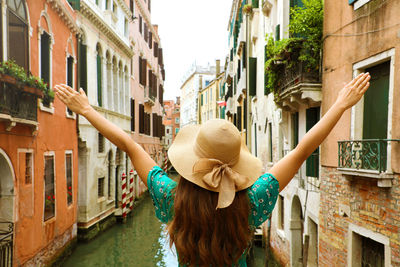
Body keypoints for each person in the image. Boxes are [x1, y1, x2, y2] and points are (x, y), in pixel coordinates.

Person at [54, 72, 370, 266]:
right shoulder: (253, 200)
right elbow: (302, 151)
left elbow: (130, 146)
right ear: (237, 163)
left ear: (191, 163)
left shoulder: (170, 196)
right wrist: (341, 105)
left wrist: (86, 110)